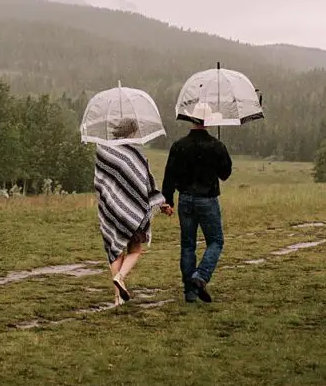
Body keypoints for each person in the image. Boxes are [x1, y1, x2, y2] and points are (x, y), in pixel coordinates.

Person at [161, 102, 233, 303]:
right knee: (216, 241)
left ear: (192, 119)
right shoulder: (216, 146)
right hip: (207, 200)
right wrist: (220, 153)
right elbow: (225, 174)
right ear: (209, 121)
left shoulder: (179, 146)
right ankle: (200, 276)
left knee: (187, 245)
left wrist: (167, 200)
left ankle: (190, 293)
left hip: (185, 200)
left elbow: (170, 176)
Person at [94, 117, 168, 305]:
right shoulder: (136, 154)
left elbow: (101, 181)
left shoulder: (103, 151)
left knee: (115, 251)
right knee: (135, 249)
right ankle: (120, 277)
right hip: (133, 211)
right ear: (132, 132)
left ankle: (118, 298)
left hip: (110, 210)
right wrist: (161, 203)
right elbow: (147, 183)